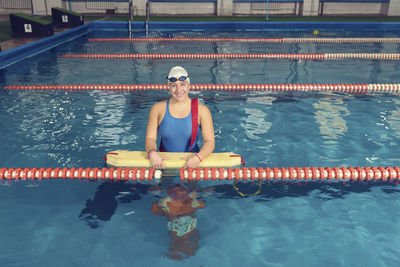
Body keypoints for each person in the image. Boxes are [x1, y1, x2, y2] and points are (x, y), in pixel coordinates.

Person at [145, 66, 215, 169]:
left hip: (192, 162)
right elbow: (150, 138)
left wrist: (198, 158)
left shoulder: (202, 111)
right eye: (174, 85)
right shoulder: (157, 109)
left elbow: (210, 141)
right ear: (169, 87)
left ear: (189, 86)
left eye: (183, 84)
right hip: (163, 163)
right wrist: (152, 153)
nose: (179, 90)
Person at [151, 184, 205, 260]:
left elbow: (156, 210)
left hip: (179, 224)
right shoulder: (190, 204)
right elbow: (201, 205)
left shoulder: (187, 204)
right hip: (183, 224)